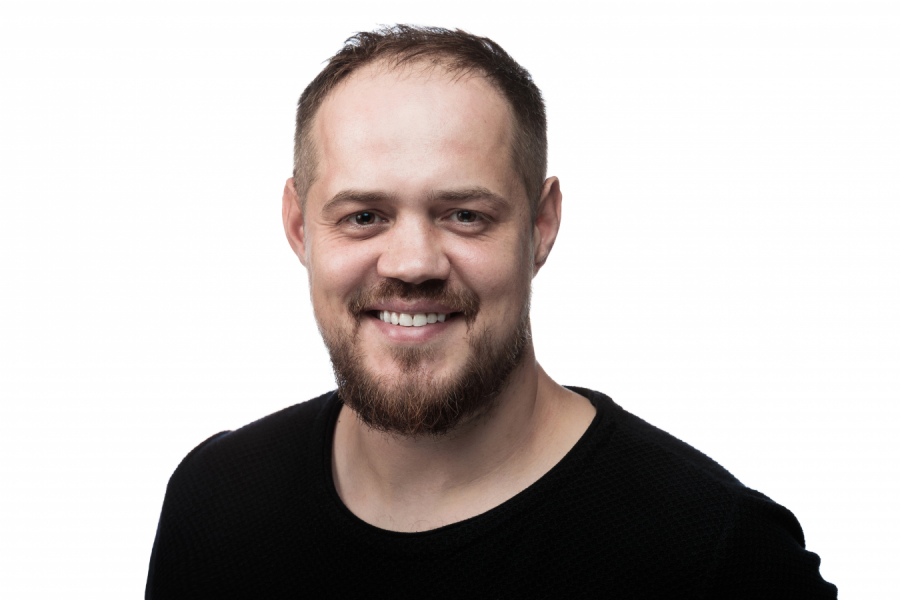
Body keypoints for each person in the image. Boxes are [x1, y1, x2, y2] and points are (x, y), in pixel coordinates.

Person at [146, 25, 837, 598]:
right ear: (300, 226)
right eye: (363, 216)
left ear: (541, 226)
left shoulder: (717, 554)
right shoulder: (216, 504)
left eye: (465, 215)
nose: (411, 263)